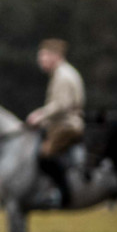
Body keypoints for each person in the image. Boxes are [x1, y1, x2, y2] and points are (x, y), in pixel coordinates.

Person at [26, 39, 85, 206]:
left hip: (67, 126)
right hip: (62, 124)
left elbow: (62, 105)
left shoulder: (63, 76)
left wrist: (40, 115)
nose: (40, 61)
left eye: (44, 56)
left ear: (56, 56)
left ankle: (60, 193)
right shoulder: (63, 73)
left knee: (44, 155)